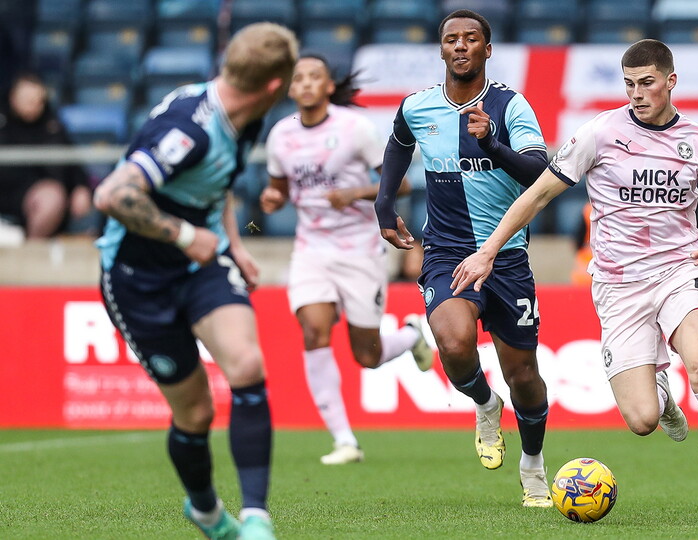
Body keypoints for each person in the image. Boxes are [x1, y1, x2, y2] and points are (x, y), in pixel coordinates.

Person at [451, 39, 698, 526]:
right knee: (642, 420)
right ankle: (660, 393)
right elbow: (538, 195)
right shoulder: (600, 132)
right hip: (618, 286)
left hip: (680, 271)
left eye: (647, 83)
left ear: (670, 82)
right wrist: (488, 250)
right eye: (629, 84)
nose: (637, 93)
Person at [92, 22, 298, 540]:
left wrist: (233, 244)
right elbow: (112, 195)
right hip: (137, 279)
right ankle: (205, 511)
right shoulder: (191, 128)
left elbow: (216, 182)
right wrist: (186, 235)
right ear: (276, 85)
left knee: (247, 364)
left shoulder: (244, 115)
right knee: (196, 412)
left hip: (202, 267)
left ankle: (257, 519)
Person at [374, 9, 553, 508]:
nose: (460, 45)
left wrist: (492, 144)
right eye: (451, 38)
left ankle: (533, 463)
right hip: (447, 251)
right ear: (441, 49)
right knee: (453, 343)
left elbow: (539, 173)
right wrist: (384, 204)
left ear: (486, 50)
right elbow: (398, 146)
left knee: (524, 376)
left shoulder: (511, 106)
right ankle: (485, 403)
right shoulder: (418, 106)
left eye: (470, 38)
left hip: (506, 256)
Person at [260, 52, 434, 466]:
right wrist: (272, 198)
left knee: (366, 356)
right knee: (313, 330)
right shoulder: (280, 135)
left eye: (314, 76)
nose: (305, 83)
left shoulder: (354, 129)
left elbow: (402, 184)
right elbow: (278, 188)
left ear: (327, 86)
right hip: (311, 250)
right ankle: (344, 441)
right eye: (298, 78)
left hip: (360, 249)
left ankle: (410, 336)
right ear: (290, 88)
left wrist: (355, 193)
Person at [0, 73, 92, 237]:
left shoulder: (52, 125)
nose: (34, 105)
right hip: (6, 193)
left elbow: (73, 162)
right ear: (13, 98)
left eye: (38, 101)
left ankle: (31, 248)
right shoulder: (3, 124)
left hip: (41, 196)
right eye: (28, 100)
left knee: (52, 197)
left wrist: (80, 186)